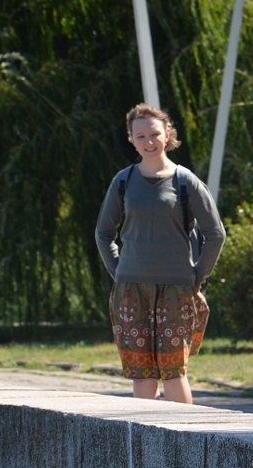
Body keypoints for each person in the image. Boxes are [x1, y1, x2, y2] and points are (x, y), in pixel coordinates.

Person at [95, 103, 226, 404]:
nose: (148, 142)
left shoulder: (185, 181)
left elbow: (215, 233)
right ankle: (144, 445)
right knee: (142, 373)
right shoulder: (123, 182)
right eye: (140, 136)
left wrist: (198, 276)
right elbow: (104, 233)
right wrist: (119, 270)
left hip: (177, 290)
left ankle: (183, 441)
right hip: (130, 290)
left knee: (173, 371)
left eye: (154, 134)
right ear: (131, 139)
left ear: (167, 134)